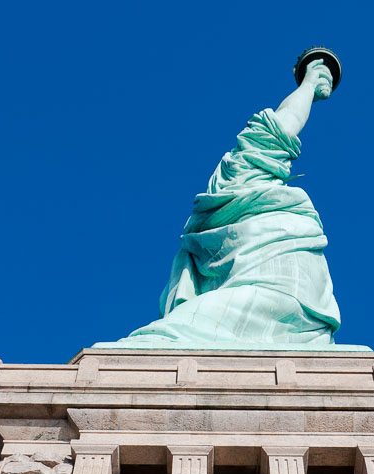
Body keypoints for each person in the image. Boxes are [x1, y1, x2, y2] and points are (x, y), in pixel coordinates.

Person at [102, 59, 346, 348]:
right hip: (284, 275)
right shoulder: (228, 190)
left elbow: (287, 119)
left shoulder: (246, 171)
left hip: (283, 275)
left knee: (173, 332)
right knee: (179, 330)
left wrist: (308, 84)